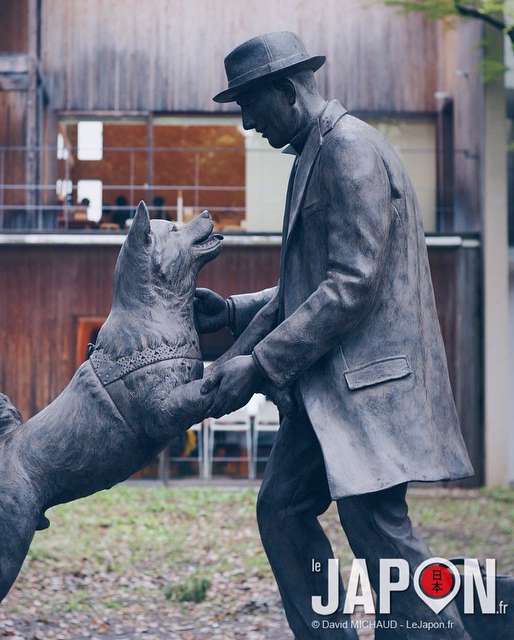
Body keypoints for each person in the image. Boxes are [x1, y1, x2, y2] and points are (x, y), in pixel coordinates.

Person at [196, 31, 474, 639]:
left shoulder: (348, 149)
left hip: (365, 392)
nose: (245, 124)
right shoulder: (313, 154)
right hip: (329, 393)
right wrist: (233, 313)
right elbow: (311, 284)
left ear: (287, 92)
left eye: (249, 106)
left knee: (378, 531)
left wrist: (260, 365)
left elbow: (351, 286)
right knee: (283, 509)